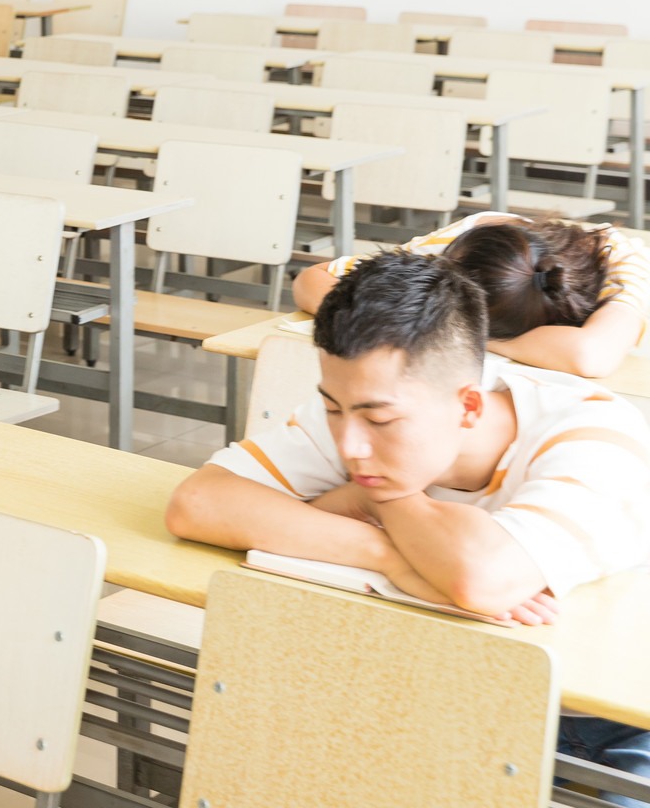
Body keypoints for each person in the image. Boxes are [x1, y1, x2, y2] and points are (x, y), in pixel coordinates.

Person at [167, 251, 650, 801]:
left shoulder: (596, 435)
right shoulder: (365, 399)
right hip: (459, 692)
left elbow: (478, 580)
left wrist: (379, 500)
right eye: (333, 409)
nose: (351, 445)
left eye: (379, 420)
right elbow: (197, 504)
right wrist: (391, 556)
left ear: (469, 408)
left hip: (614, 722)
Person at [292, 213, 650, 378]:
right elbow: (312, 280)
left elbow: (590, 356)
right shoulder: (471, 240)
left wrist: (456, 330)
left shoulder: (622, 263)